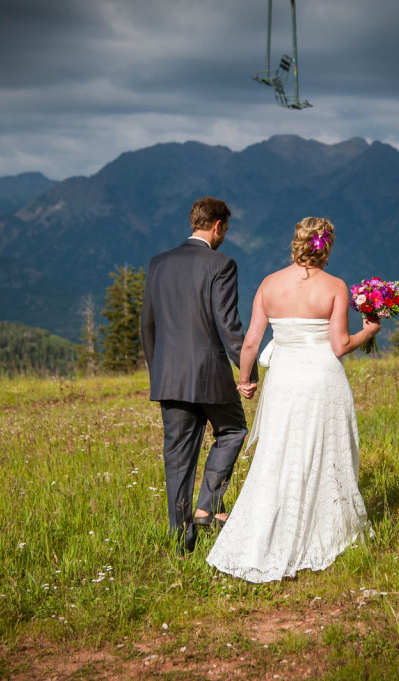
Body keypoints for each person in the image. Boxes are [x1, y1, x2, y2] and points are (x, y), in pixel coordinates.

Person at [206, 216, 380, 582]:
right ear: (326, 245)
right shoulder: (335, 287)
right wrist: (370, 330)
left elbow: (251, 341)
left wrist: (244, 380)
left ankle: (266, 531)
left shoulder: (270, 284)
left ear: (296, 243)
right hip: (321, 379)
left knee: (279, 453)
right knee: (325, 451)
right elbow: (340, 346)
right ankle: (328, 530)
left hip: (284, 380)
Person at [140, 196, 259, 554]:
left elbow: (147, 324)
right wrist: (246, 372)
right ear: (218, 225)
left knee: (177, 459)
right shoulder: (221, 264)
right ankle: (208, 504)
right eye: (226, 229)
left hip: (169, 377)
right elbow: (228, 324)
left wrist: (158, 370)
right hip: (209, 375)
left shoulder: (157, 264)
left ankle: (181, 543)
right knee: (233, 430)